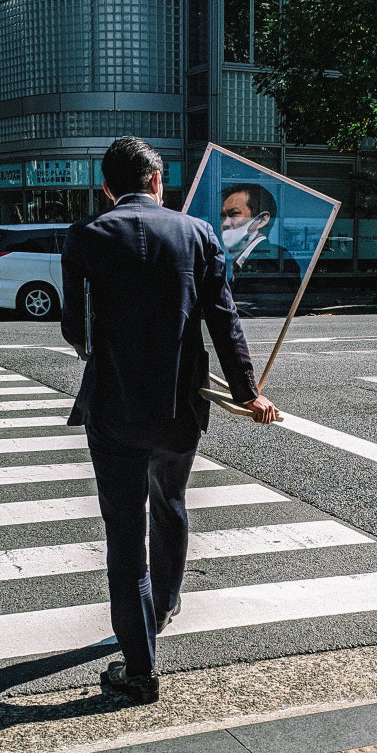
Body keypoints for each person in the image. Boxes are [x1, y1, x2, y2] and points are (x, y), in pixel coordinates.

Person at [61, 137, 279, 705]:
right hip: (182, 405)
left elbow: (75, 332)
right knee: (172, 501)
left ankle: (139, 669)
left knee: (125, 534)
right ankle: (167, 602)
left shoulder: (86, 236)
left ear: (108, 187)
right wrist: (248, 393)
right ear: (158, 180)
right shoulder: (198, 233)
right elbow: (224, 322)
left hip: (115, 408)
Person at [220, 183, 300, 284]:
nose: (225, 223)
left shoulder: (270, 261)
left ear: (262, 220)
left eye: (234, 214)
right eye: (223, 217)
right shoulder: (246, 261)